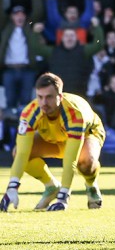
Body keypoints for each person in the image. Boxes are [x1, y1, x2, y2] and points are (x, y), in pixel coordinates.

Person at [1, 73, 105, 212]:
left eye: (49, 97)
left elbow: (70, 160)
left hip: (87, 134)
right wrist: (12, 187)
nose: (44, 102)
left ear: (60, 97)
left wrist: (63, 197)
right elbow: (22, 153)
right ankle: (51, 186)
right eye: (40, 97)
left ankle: (91, 185)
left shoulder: (74, 113)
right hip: (54, 137)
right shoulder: (30, 112)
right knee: (17, 151)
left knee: (86, 162)